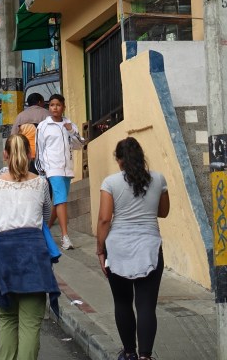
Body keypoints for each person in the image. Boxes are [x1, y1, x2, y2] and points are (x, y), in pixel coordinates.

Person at [0, 134, 60, 360]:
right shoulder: (40, 183)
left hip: (3, 257)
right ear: (30, 154)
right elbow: (46, 215)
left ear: (5, 155)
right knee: (30, 323)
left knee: (7, 319)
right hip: (34, 257)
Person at [96, 136, 170, 360]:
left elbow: (104, 220)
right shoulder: (158, 179)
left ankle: (129, 353)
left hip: (117, 248)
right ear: (140, 157)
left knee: (122, 302)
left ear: (119, 160)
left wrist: (100, 250)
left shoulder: (110, 183)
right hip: (149, 247)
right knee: (146, 305)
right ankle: (145, 357)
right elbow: (163, 212)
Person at [35, 93, 84, 250]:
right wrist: (41, 170)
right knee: (61, 200)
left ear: (63, 107)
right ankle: (65, 237)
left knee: (59, 200)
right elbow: (39, 149)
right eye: (52, 105)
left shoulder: (70, 125)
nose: (54, 108)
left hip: (67, 168)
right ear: (49, 107)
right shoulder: (43, 126)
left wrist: (71, 132)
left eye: (58, 105)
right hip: (52, 168)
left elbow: (79, 145)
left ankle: (45, 231)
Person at [12, 92, 48, 172]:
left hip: (26, 154)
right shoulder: (47, 114)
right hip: (44, 154)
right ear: (39, 102)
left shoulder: (20, 116)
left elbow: (13, 136)